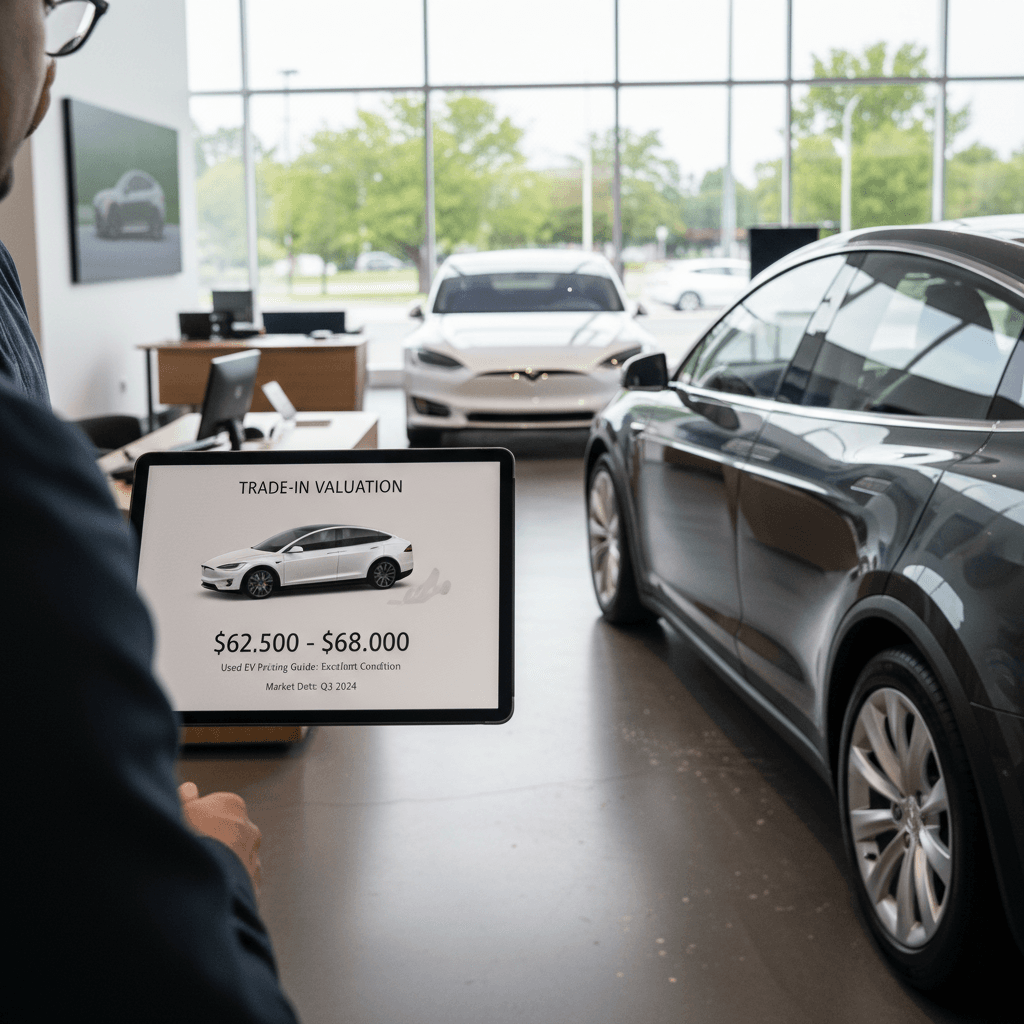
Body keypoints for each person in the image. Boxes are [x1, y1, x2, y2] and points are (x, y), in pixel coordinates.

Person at [1, 3, 299, 1019]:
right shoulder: (19, 481)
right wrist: (208, 865)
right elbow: (174, 991)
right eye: (41, 12)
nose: (51, 44)